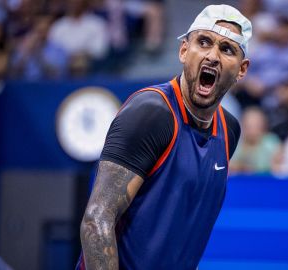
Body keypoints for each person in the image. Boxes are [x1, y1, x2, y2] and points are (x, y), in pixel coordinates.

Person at [76, 5, 251, 269]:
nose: (213, 56)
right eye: (204, 42)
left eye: (227, 49)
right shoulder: (150, 113)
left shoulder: (230, 130)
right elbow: (97, 219)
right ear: (183, 50)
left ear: (242, 69)